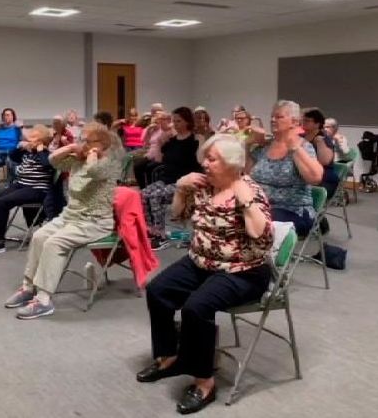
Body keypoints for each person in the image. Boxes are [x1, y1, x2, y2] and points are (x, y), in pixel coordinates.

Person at [138, 134, 273, 415]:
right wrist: (180, 189)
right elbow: (176, 215)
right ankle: (170, 356)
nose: (205, 164)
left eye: (212, 159)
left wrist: (245, 200)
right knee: (158, 290)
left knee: (196, 308)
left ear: (233, 164)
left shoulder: (250, 190)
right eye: (206, 158)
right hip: (202, 262)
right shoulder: (203, 185)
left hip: (243, 271)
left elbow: (261, 237)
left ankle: (204, 381)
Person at [3, 123, 121, 320]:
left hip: (94, 222)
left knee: (54, 243)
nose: (81, 143)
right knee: (39, 236)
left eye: (86, 140)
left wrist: (91, 155)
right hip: (70, 216)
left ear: (102, 144)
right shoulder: (77, 160)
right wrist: (70, 148)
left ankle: (43, 300)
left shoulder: (109, 164)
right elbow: (52, 161)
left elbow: (94, 172)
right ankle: (28, 287)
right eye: (80, 139)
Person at [0, 125, 54, 256]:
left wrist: (41, 150)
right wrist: (21, 147)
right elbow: (13, 157)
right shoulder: (29, 151)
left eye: (33, 138)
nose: (29, 140)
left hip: (37, 189)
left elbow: (48, 165)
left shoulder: (47, 154)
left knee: (2, 202)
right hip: (21, 184)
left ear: (42, 141)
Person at [247, 100, 323, 237]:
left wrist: (295, 148)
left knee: (254, 222)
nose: (272, 120)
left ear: (294, 122)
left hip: (293, 211)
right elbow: (246, 176)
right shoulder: (264, 147)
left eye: (279, 117)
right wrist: (247, 145)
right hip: (261, 207)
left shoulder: (304, 147)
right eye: (272, 116)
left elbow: (316, 178)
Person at [142, 107, 202, 249]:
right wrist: (161, 141)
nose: (175, 124)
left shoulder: (194, 141)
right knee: (143, 194)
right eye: (174, 121)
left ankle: (162, 236)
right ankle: (153, 230)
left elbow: (199, 163)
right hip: (167, 179)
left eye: (179, 121)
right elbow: (160, 159)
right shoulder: (172, 140)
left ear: (187, 122)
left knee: (156, 197)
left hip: (183, 183)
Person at [302, 108, 339, 198]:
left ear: (317, 124)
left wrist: (319, 143)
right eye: (303, 120)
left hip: (323, 180)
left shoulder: (323, 138)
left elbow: (324, 161)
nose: (303, 123)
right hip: (303, 176)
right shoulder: (301, 136)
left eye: (307, 121)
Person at [133, 110, 173, 189]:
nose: (159, 121)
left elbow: (161, 147)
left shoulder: (166, 131)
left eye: (161, 119)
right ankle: (143, 188)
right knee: (137, 166)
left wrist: (152, 156)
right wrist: (149, 130)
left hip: (159, 156)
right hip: (151, 154)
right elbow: (145, 142)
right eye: (158, 119)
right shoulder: (153, 130)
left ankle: (150, 188)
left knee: (149, 167)